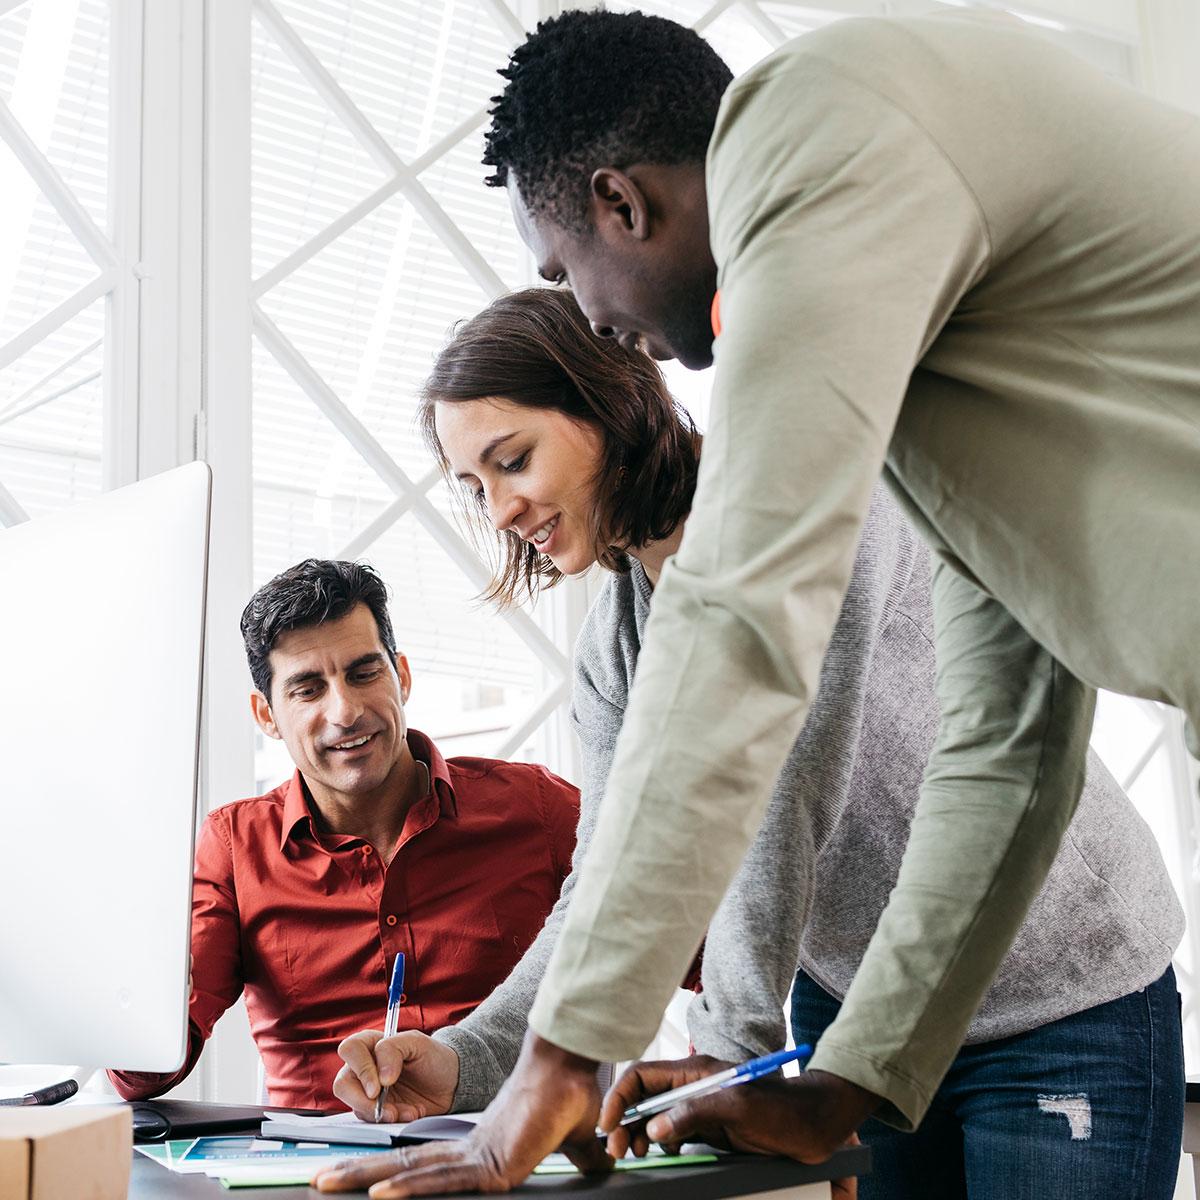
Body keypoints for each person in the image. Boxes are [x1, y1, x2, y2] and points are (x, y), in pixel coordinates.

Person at [315, 7, 1200, 1195]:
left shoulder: (812, 122)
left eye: (565, 270)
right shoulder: (931, 384)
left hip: (1068, 996)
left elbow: (749, 644)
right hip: (895, 1017)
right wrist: (846, 1081)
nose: (589, 316)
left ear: (623, 204)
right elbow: (1011, 744)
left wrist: (570, 1060)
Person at [107, 558, 578, 1109]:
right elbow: (148, 1070)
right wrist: (136, 994)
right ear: (267, 715)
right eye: (308, 689)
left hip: (521, 1163)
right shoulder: (235, 847)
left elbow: (695, 944)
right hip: (315, 1177)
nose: (346, 711)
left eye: (363, 673)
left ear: (400, 676)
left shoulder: (536, 807)